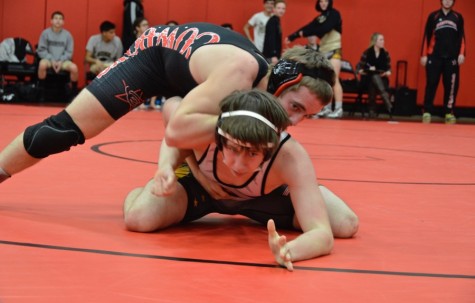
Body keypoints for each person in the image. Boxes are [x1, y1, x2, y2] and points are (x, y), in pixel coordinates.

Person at [0, 23, 334, 185]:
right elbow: (176, 131)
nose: (294, 122)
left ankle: (180, 183)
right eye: (295, 107)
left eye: (306, 115)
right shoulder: (240, 73)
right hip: (153, 59)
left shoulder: (259, 85)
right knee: (62, 131)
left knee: (205, 137)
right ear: (283, 82)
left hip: (185, 78)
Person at [123, 89, 359, 270]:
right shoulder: (209, 130)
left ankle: (304, 191)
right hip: (203, 187)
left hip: (265, 196)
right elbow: (173, 131)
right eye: (233, 149)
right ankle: (139, 192)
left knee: (344, 223)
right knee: (138, 218)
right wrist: (165, 167)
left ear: (269, 150)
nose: (238, 164)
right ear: (221, 138)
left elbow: (322, 235)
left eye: (252, 153)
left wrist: (290, 250)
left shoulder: (289, 156)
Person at [285, 0, 344, 119]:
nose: (323, 3)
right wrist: (293, 36)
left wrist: (304, 33)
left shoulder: (334, 14)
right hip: (323, 50)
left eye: (326, 1)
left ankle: (338, 108)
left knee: (334, 79)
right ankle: (327, 108)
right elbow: (310, 26)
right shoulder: (320, 18)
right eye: (321, 1)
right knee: (326, 81)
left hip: (334, 50)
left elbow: (324, 29)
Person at [420, 0, 466, 124]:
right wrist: (424, 55)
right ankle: (427, 111)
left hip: (451, 58)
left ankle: (448, 111)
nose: (447, 2)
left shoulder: (458, 17)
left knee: (451, 86)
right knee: (431, 84)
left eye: (450, 0)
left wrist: (462, 53)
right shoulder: (433, 16)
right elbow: (427, 36)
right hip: (434, 57)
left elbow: (461, 37)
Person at [36, 11, 79, 99]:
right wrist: (51, 59)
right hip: (48, 59)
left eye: (60, 19)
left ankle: (73, 92)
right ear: (51, 21)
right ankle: (41, 92)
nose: (58, 21)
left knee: (74, 68)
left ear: (63, 22)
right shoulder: (45, 33)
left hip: (62, 61)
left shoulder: (68, 35)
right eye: (56, 18)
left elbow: (69, 52)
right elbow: (41, 50)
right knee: (42, 65)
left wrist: (60, 61)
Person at [356, 32, 393, 118]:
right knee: (373, 78)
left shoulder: (385, 53)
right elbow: (359, 68)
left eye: (383, 39)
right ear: (375, 41)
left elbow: (389, 68)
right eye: (381, 40)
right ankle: (386, 100)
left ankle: (371, 110)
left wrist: (387, 72)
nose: (383, 41)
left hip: (382, 79)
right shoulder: (367, 52)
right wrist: (365, 70)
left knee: (374, 80)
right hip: (367, 78)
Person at [262, 0, 287, 65]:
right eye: (279, 8)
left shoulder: (276, 20)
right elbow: (271, 38)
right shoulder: (273, 21)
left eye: (283, 8)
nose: (281, 10)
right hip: (271, 56)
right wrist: (273, 55)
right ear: (274, 9)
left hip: (273, 55)